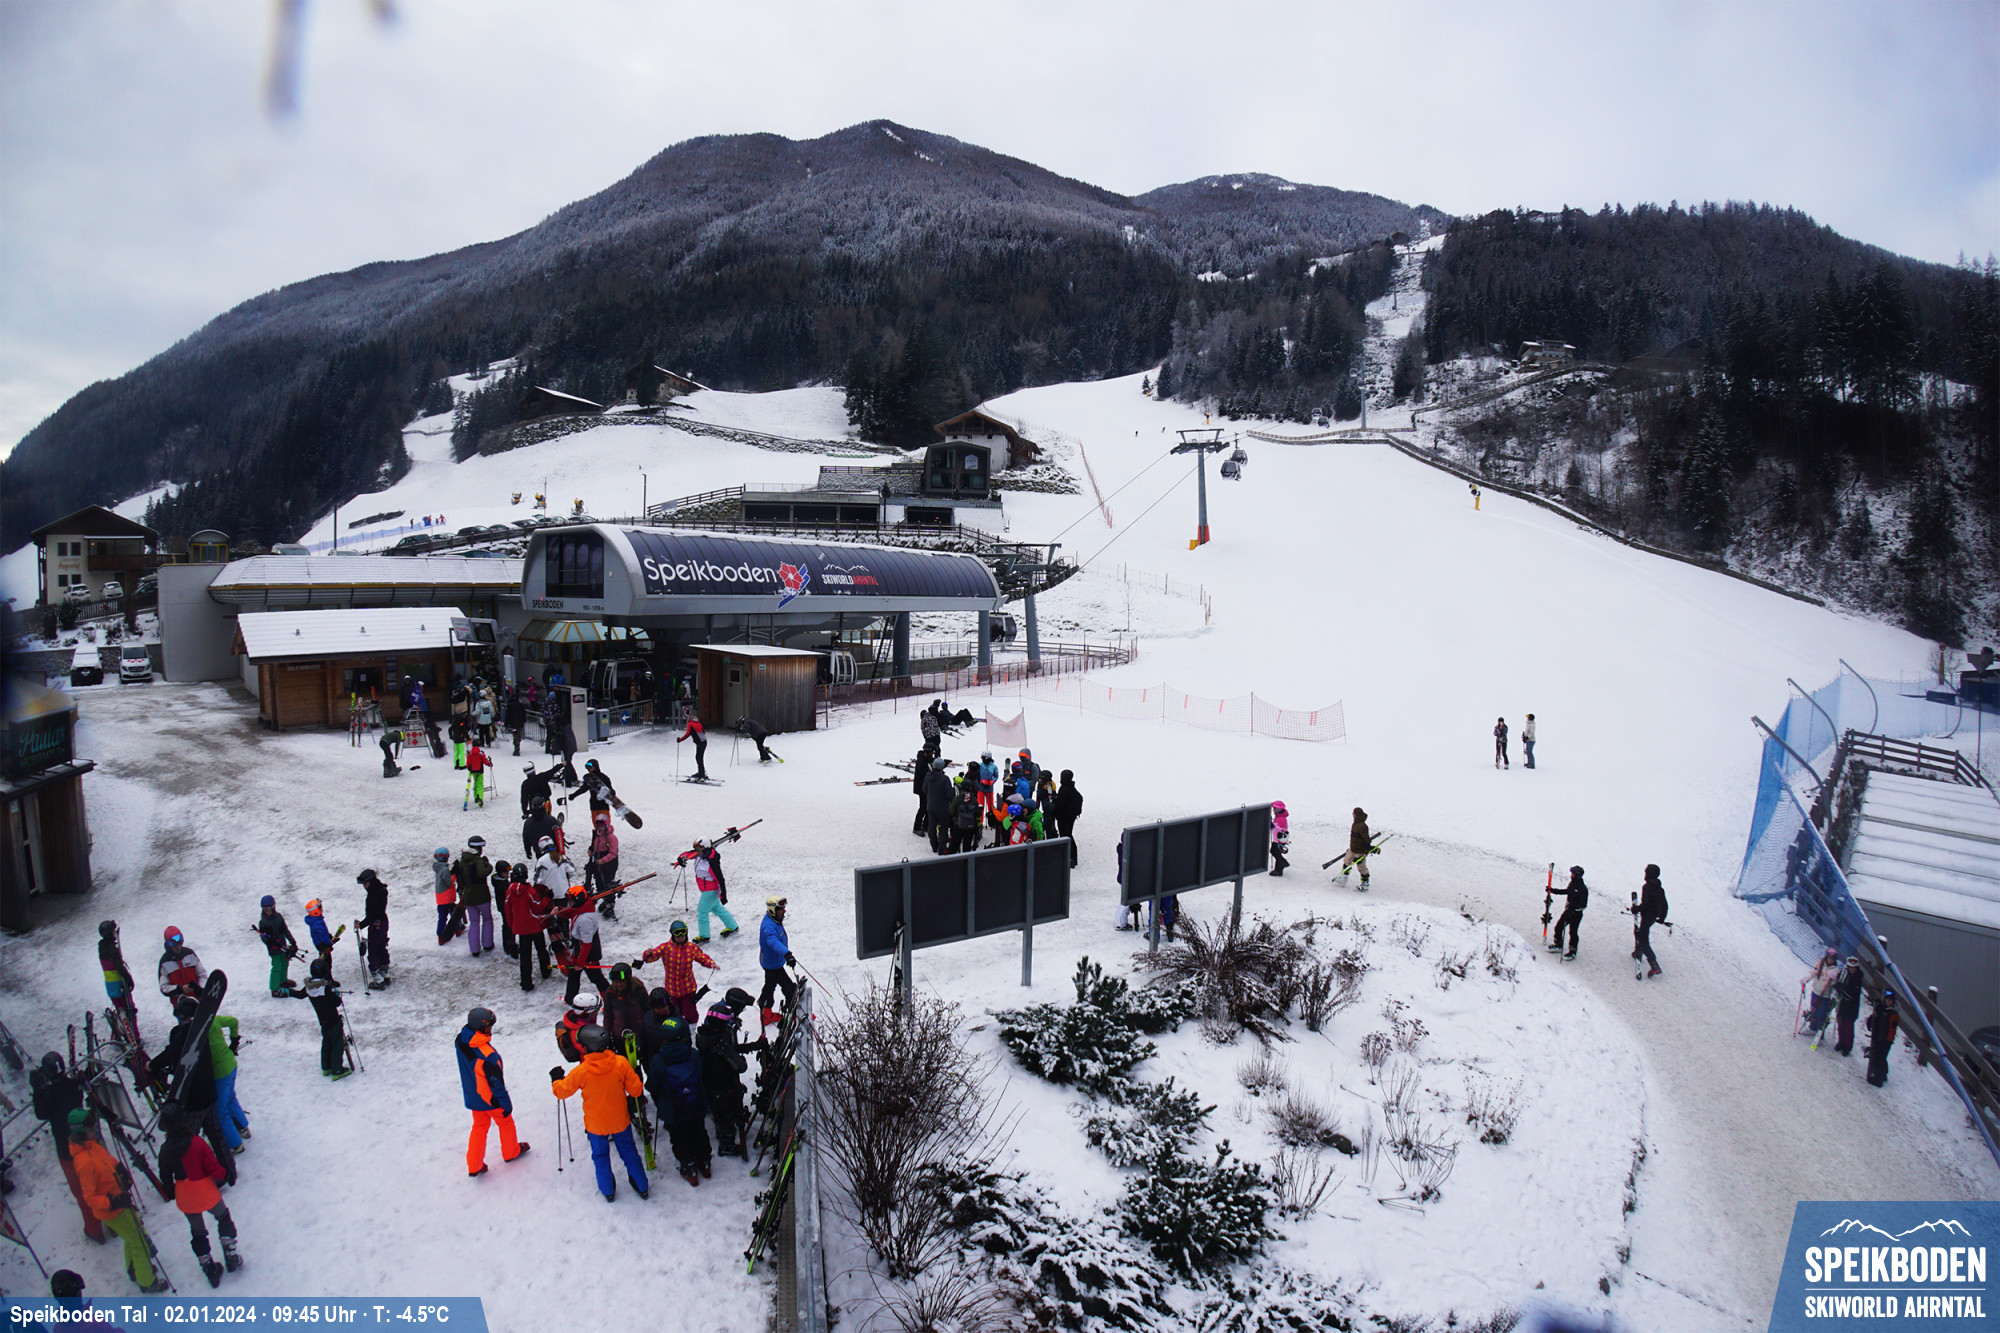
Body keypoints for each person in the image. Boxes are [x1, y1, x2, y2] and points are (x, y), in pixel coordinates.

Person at [68, 1110, 167, 1291]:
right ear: (80, 1133)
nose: (94, 1130)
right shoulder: (84, 1163)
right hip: (112, 1211)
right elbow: (89, 1198)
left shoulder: (93, 1145)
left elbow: (107, 1160)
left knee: (132, 1236)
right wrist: (113, 1202)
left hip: (121, 1199)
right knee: (137, 1241)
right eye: (90, 1129)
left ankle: (135, 1269)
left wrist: (120, 1170)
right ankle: (147, 1282)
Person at [550, 1025, 650, 1203]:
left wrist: (556, 1080)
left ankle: (608, 1190)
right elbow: (635, 1091)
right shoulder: (620, 1063)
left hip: (596, 1125)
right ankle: (642, 1186)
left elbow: (561, 1092)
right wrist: (634, 1075)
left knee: (600, 1156)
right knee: (629, 1152)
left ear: (586, 1047)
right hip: (620, 1121)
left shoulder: (582, 1071)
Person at [153, 995, 236, 1183]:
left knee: (188, 1141)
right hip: (209, 1094)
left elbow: (172, 1053)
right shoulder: (202, 1032)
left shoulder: (184, 1035)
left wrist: (152, 1065)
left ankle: (195, 1178)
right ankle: (229, 1171)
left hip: (193, 1101)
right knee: (216, 1135)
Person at [157, 1104, 239, 1287]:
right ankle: (230, 1252)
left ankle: (209, 1268)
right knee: (223, 1217)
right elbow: (212, 1166)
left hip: (186, 1197)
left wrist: (173, 1192)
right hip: (205, 1191)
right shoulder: (197, 1143)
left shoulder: (165, 1150)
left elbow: (165, 1177)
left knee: (197, 1231)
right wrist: (223, 1174)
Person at [29, 1054, 103, 1243]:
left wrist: (37, 1090)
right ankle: (112, 1220)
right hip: (87, 1139)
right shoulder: (73, 1085)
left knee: (81, 1191)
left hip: (67, 1148)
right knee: (100, 1179)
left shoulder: (48, 1094)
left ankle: (94, 1229)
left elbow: (41, 1113)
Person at [457, 1007, 530, 1178]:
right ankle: (511, 1152)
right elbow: (497, 1085)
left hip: (473, 1096)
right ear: (482, 1027)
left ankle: (474, 1165)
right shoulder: (488, 1055)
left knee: (479, 1127)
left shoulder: (460, 1041)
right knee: (506, 1122)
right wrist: (506, 1104)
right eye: (489, 1026)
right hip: (490, 1099)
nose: (491, 1029)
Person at [697, 988, 763, 1157]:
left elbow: (732, 1049)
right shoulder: (720, 1043)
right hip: (722, 1083)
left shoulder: (708, 1032)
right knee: (725, 1112)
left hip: (711, 1081)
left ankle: (722, 1129)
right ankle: (726, 1143)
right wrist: (741, 1058)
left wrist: (753, 1046)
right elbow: (739, 1065)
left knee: (720, 1109)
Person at [647, 1017, 712, 1186]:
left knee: (679, 1138)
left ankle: (689, 1169)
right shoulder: (692, 1054)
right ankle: (705, 1163)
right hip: (695, 1103)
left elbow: (653, 1084)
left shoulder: (659, 1060)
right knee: (699, 1132)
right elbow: (700, 1075)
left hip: (673, 1109)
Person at [641, 921, 719, 1024]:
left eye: (683, 934)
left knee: (690, 1011)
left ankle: (691, 1029)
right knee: (674, 1011)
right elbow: (651, 957)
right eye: (677, 934)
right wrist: (648, 954)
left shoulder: (691, 948)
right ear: (672, 935)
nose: (680, 937)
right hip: (672, 989)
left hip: (688, 988)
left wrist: (710, 963)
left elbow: (702, 957)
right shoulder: (665, 948)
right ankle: (676, 1028)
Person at [98, 921, 145, 1059]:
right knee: (129, 1011)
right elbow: (119, 967)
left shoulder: (102, 947)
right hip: (120, 986)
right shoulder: (112, 950)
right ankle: (134, 1038)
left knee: (120, 1011)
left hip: (111, 986)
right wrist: (129, 979)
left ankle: (116, 1038)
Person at [207, 1008, 249, 1154]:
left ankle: (235, 1144)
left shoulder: (197, 1030)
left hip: (219, 1072)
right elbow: (233, 1021)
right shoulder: (213, 1019)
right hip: (230, 1064)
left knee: (220, 1111)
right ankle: (243, 1128)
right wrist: (234, 1041)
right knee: (230, 1097)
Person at [301, 959, 351, 1080]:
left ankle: (326, 1067)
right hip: (333, 1020)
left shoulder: (309, 988)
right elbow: (336, 1002)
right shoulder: (325, 988)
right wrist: (336, 995)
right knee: (337, 1043)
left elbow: (299, 995)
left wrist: (288, 992)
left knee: (327, 1041)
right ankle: (337, 1070)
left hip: (322, 1020)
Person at [506, 865, 552, 991]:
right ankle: (546, 971)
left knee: (525, 956)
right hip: (534, 926)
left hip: (521, 928)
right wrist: (547, 899)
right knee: (541, 949)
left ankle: (526, 982)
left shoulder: (509, 892)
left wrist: (513, 925)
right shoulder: (530, 892)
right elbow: (537, 909)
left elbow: (508, 911)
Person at [559, 883, 607, 1004]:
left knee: (596, 978)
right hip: (579, 951)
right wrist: (558, 911)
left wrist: (580, 963)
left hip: (588, 955)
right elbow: (569, 912)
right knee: (573, 975)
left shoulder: (586, 919)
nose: (569, 903)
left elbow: (587, 944)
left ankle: (610, 1000)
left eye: (570, 900)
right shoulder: (580, 909)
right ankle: (570, 999)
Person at [686, 840, 738, 942]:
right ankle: (732, 926)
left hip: (710, 890)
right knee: (717, 908)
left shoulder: (712, 862)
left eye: (699, 850)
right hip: (706, 889)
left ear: (705, 850)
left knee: (702, 912)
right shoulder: (700, 856)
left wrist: (723, 895)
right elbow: (689, 854)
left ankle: (704, 935)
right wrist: (681, 859)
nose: (697, 852)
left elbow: (720, 879)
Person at [757, 897, 797, 1028]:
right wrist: (786, 954)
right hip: (773, 964)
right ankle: (795, 1015)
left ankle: (766, 1014)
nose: (784, 911)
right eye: (781, 909)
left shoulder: (774, 920)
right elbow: (772, 941)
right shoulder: (768, 926)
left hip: (772, 962)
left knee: (769, 986)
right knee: (789, 989)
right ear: (772, 910)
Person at [255, 897, 303, 997]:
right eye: (264, 908)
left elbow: (285, 930)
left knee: (285, 963)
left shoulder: (278, 917)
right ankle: (274, 989)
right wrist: (270, 942)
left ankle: (283, 981)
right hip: (274, 949)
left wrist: (292, 942)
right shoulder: (263, 922)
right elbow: (264, 937)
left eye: (269, 908)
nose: (267, 911)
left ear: (273, 906)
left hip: (283, 946)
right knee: (276, 966)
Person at [457, 837, 495, 956]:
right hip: (482, 896)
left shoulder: (462, 861)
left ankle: (474, 949)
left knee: (474, 922)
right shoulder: (478, 860)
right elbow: (482, 873)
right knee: (487, 919)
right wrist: (489, 866)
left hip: (468, 897)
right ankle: (487, 944)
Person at [599, 963, 652, 1047]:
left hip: (638, 1035)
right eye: (616, 982)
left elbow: (647, 1012)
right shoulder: (610, 993)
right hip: (618, 1036)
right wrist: (606, 1034)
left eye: (622, 981)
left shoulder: (638, 990)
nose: (619, 984)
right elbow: (608, 1015)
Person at [355, 868, 392, 989]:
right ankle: (385, 972)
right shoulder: (382, 890)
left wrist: (360, 925)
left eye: (365, 883)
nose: (364, 886)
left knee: (373, 950)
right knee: (381, 947)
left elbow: (371, 916)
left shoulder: (372, 896)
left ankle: (377, 978)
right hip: (383, 923)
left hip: (375, 926)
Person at [1634, 864, 1669, 978]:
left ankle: (1654, 965)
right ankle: (1638, 952)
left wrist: (1636, 909)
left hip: (1647, 916)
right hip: (1653, 917)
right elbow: (1665, 905)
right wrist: (1661, 918)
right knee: (1640, 933)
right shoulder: (1660, 889)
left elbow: (1645, 904)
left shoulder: (1647, 887)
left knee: (1643, 939)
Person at [587, 810, 621, 922]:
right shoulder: (596, 835)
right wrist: (591, 850)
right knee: (599, 883)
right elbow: (594, 845)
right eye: (598, 825)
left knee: (608, 883)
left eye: (602, 825)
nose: (600, 827)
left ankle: (610, 903)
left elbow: (613, 853)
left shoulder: (611, 837)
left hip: (609, 864)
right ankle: (605, 900)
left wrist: (603, 860)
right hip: (599, 862)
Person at [158, 925, 207, 1002]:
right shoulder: (165, 963)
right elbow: (164, 988)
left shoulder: (189, 954)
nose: (178, 947)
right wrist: (181, 989)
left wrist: (201, 988)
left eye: (179, 943)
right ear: (168, 945)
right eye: (174, 945)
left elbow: (202, 974)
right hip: (181, 1004)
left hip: (198, 1000)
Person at [1548, 865, 1588, 958]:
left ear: (1577, 875)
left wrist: (1575, 908)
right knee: (1559, 927)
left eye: (1573, 874)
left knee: (1573, 932)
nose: (1571, 875)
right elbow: (1567, 891)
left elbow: (1584, 904)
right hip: (1568, 911)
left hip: (1576, 914)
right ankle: (1558, 944)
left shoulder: (1582, 889)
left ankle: (1573, 951)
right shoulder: (1573, 884)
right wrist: (1553, 891)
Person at [1863, 990, 1900, 1087]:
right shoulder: (1882, 1009)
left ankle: (1878, 1079)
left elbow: (1892, 1028)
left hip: (1885, 1040)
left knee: (1879, 1058)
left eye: (1890, 1001)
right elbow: (1875, 1018)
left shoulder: (1893, 1014)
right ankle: (1883, 1074)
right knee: (1880, 1057)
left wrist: (1888, 1040)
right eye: (1887, 1000)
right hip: (1878, 1037)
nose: (1888, 1002)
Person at [1802, 947, 1841, 1038]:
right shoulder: (1820, 964)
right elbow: (1814, 973)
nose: (1830, 960)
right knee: (1813, 1012)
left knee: (1821, 1015)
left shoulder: (1835, 970)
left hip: (1825, 996)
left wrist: (1833, 979)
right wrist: (1806, 979)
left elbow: (1834, 984)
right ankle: (1812, 1028)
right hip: (1816, 991)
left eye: (1833, 959)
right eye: (1829, 958)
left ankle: (1820, 1033)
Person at [555, 993, 602, 1062]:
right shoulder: (579, 1034)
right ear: (588, 1013)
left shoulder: (579, 1021)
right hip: (592, 1064)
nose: (597, 1011)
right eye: (596, 1010)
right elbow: (591, 1054)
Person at [1833, 957, 1865, 1056]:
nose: (1851, 969)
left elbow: (1851, 994)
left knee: (1848, 1028)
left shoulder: (1857, 979)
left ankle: (1847, 1047)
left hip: (1851, 1007)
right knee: (1841, 1024)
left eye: (1853, 968)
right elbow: (1839, 980)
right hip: (1843, 1004)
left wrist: (1840, 987)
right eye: (1850, 967)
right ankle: (1841, 1043)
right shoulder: (1844, 974)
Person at [1051, 769, 1083, 866]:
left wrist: (1054, 812)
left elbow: (1060, 805)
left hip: (1064, 817)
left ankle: (1070, 857)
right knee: (1068, 835)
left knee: (1065, 836)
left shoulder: (1064, 789)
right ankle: (1071, 857)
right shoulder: (1071, 787)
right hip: (1071, 816)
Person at [924, 756, 955, 854]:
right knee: (943, 827)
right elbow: (949, 794)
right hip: (943, 808)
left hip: (931, 806)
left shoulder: (927, 777)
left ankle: (934, 845)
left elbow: (924, 790)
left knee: (932, 826)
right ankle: (942, 847)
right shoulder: (945, 779)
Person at [1340, 807, 1374, 889]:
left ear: (1356, 814)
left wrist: (1366, 852)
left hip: (1360, 851)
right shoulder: (1355, 823)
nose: (1352, 814)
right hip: (1352, 849)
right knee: (1347, 861)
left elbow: (1367, 840)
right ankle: (1343, 878)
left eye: (1353, 813)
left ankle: (1365, 884)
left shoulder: (1362, 826)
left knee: (1361, 867)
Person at [304, 898, 339, 971]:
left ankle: (325, 974)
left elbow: (324, 932)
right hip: (322, 945)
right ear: (316, 911)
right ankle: (327, 976)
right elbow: (322, 935)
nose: (322, 910)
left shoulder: (315, 920)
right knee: (327, 963)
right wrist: (329, 943)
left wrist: (329, 936)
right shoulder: (317, 922)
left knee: (325, 962)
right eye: (321, 909)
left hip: (320, 944)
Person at [911, 743, 938, 836]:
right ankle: (917, 827)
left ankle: (925, 825)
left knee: (928, 807)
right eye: (932, 752)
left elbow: (932, 762)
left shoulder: (926, 758)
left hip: (927, 787)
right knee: (923, 807)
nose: (933, 753)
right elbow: (926, 773)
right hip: (922, 788)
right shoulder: (921, 761)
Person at [953, 786, 983, 854]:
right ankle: (966, 859)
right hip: (970, 826)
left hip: (958, 825)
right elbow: (978, 813)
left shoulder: (957, 799)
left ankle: (952, 859)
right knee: (967, 845)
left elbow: (952, 812)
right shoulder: (973, 800)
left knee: (955, 844)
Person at [677, 714, 709, 780]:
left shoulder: (690, 724)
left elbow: (687, 734)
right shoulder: (698, 723)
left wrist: (680, 740)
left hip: (700, 742)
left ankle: (701, 774)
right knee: (699, 757)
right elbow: (703, 732)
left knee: (698, 757)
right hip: (704, 741)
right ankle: (701, 772)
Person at [465, 740, 491, 808]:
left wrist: (469, 767)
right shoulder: (481, 753)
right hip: (480, 770)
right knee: (480, 784)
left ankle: (476, 796)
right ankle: (480, 797)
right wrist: (489, 764)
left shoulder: (470, 753)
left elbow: (468, 762)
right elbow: (484, 760)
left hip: (473, 771)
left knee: (475, 783)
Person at [504, 687, 527, 757]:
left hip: (512, 723)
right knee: (518, 734)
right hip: (519, 723)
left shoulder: (510, 705)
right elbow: (524, 713)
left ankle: (516, 746)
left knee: (515, 735)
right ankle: (517, 746)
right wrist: (523, 720)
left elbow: (508, 715)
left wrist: (506, 723)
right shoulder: (520, 705)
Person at [1269, 800, 1290, 877]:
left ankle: (1281, 865)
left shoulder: (1281, 818)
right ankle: (1279, 868)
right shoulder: (1279, 817)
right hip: (1277, 839)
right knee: (1275, 852)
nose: (1273, 810)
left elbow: (1281, 829)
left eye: (1274, 809)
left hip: (1279, 840)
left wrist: (1273, 825)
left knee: (1275, 851)